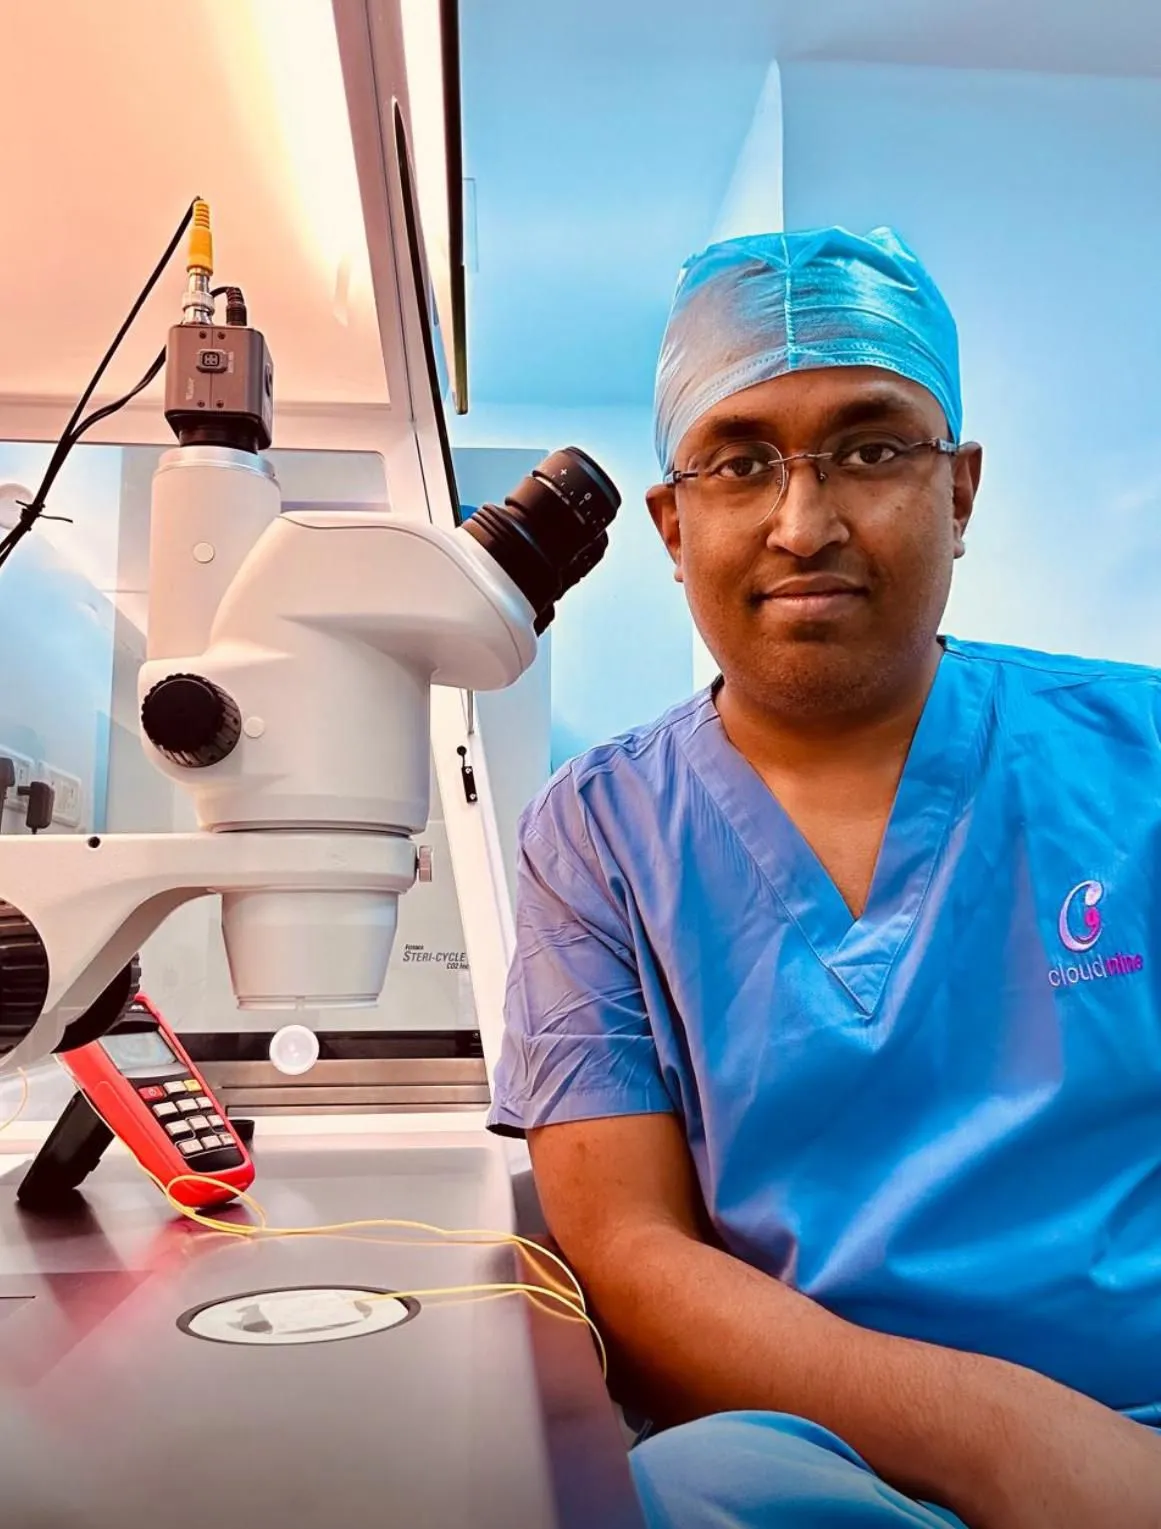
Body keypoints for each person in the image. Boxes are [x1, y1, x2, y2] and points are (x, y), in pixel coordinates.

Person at [487, 226, 1161, 1528]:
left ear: (960, 491)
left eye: (871, 449)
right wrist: (1012, 1443)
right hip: (823, 1466)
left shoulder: (1139, 759)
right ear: (674, 525)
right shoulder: (601, 833)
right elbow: (626, 1247)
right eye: (741, 463)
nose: (804, 525)